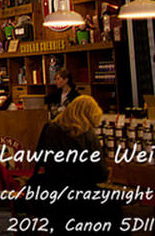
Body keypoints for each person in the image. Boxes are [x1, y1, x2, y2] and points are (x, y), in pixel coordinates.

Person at [31, 95, 117, 234]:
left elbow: (40, 158)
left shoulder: (50, 128)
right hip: (81, 200)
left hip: (53, 196)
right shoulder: (87, 135)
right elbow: (99, 172)